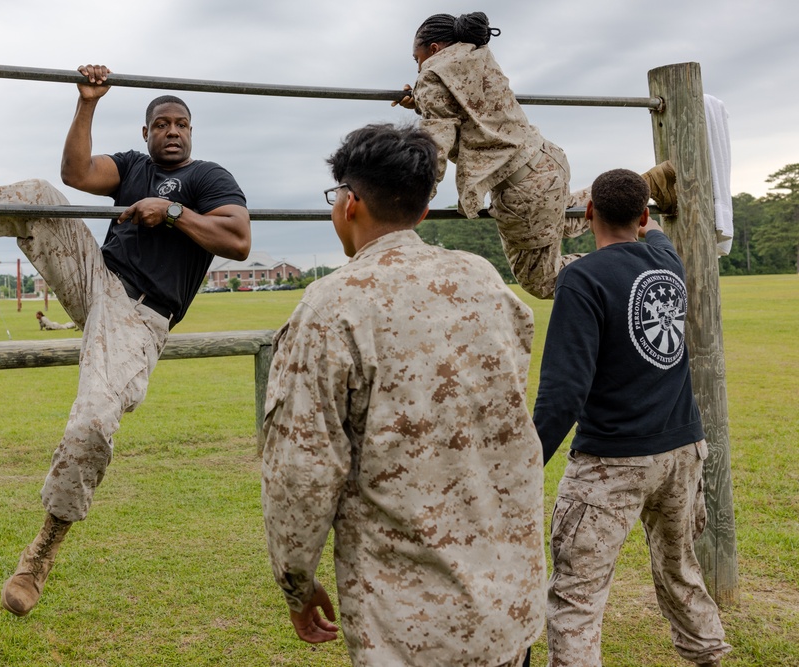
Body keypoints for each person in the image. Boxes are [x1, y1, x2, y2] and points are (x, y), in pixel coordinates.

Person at [0, 63, 250, 617]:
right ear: (146, 133)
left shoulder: (209, 178)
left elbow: (238, 240)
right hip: (96, 277)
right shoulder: (133, 166)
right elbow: (77, 174)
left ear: (192, 131)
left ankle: (40, 554)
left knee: (91, 424)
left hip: (140, 318)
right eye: (160, 123)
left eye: (181, 123)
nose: (172, 131)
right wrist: (87, 102)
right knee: (37, 193)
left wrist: (176, 211)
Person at [262, 123, 545, 666]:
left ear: (349, 202)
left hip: (410, 625)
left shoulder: (331, 306)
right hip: (510, 606)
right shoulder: (484, 282)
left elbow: (301, 470)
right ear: (420, 211)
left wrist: (296, 582)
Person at [533, 169, 731, 667]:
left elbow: (563, 392)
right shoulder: (666, 261)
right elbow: (660, 230)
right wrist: (651, 197)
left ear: (587, 215)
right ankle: (707, 656)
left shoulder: (581, 278)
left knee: (577, 596)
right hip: (682, 452)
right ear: (643, 217)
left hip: (612, 461)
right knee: (680, 569)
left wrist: (525, 461)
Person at [394, 11, 678, 299]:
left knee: (543, 280)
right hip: (545, 161)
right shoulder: (479, 55)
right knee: (562, 218)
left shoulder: (431, 77)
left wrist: (411, 204)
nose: (418, 70)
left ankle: (634, 269)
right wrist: (422, 101)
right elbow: (471, 105)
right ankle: (648, 184)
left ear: (434, 50)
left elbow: (436, 144)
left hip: (521, 190)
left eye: (417, 60)